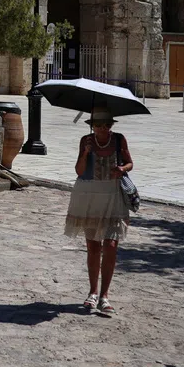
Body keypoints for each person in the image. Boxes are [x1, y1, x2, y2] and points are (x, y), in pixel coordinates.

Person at [65, 107, 133, 317]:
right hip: (90, 196)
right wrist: (85, 152)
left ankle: (105, 295)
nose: (102, 129)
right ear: (92, 126)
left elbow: (130, 163)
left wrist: (122, 169)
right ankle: (93, 292)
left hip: (113, 196)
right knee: (93, 246)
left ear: (111, 126)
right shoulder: (86, 140)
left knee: (111, 245)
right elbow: (78, 170)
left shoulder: (119, 140)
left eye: (106, 125)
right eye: (98, 125)